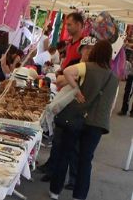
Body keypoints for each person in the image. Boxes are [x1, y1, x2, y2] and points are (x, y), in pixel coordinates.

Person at [49, 40, 119, 200]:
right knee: (85, 161)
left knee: (65, 154)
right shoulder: (114, 78)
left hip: (76, 118)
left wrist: (76, 88)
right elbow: (111, 106)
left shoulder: (87, 67)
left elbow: (67, 71)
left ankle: (55, 191)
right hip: (97, 124)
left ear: (94, 52)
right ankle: (79, 196)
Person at [39, 36, 96, 188]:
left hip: (81, 112)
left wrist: (70, 79)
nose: (88, 53)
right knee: (58, 143)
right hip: (65, 109)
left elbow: (66, 79)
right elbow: (59, 80)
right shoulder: (75, 65)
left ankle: (73, 179)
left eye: (91, 50)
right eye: (86, 49)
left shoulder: (94, 70)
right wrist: (73, 79)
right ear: (81, 50)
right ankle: (53, 173)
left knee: (76, 148)